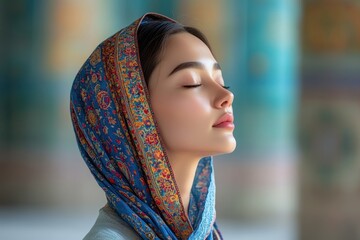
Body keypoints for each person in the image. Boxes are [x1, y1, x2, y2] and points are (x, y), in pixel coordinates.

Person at [70, 12, 236, 240]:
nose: (226, 95)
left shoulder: (206, 232)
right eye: (192, 83)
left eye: (220, 81)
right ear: (133, 113)